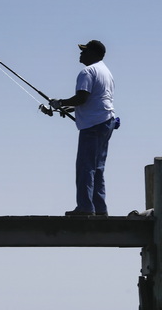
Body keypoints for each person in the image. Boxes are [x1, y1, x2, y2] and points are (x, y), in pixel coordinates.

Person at [41, 40, 117, 216]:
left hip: (93, 125)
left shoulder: (87, 72)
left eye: (84, 51)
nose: (80, 54)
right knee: (98, 168)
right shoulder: (106, 72)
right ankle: (100, 209)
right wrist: (68, 107)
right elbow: (96, 99)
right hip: (107, 122)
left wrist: (60, 102)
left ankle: (85, 208)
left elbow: (82, 97)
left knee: (85, 167)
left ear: (94, 54)